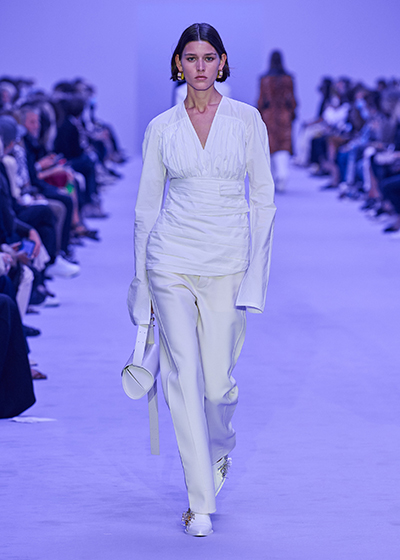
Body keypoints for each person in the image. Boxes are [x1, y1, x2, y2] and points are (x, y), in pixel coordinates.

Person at [127, 23, 276, 537]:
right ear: (178, 64)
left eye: (208, 57)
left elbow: (264, 200)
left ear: (222, 62)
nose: (200, 67)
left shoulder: (247, 120)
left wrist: (256, 275)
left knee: (218, 386)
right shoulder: (162, 127)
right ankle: (199, 501)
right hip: (170, 258)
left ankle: (220, 448)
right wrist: (141, 284)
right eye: (190, 58)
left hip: (228, 261)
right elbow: (147, 208)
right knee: (182, 378)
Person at [258, 50, 297, 192]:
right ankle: (282, 174)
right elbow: (292, 99)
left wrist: (259, 115)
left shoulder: (264, 79)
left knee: (270, 145)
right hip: (284, 115)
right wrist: (292, 113)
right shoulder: (288, 78)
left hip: (269, 116)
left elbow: (261, 100)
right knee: (284, 144)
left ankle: (273, 177)